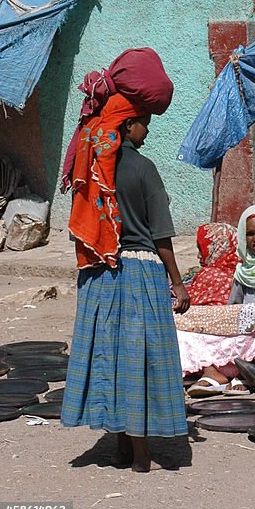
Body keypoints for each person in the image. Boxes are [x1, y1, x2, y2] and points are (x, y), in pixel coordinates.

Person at [61, 48, 190, 473]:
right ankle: (140, 456)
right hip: (140, 274)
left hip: (100, 274)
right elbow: (161, 235)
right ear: (128, 122)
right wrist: (178, 281)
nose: (146, 131)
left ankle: (117, 448)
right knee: (139, 362)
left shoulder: (94, 165)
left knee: (112, 359)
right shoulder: (145, 169)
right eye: (144, 123)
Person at [180, 204, 255, 395]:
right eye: (250, 234)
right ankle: (217, 371)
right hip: (248, 335)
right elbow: (232, 309)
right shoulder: (243, 272)